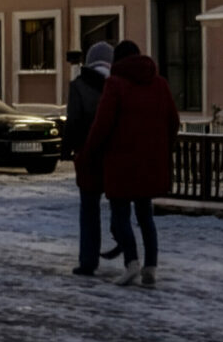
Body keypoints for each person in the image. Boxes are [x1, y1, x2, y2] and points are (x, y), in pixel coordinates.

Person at [88, 38, 177, 287]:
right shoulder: (160, 84)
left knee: (120, 215)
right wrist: (162, 148)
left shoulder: (115, 84)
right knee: (146, 216)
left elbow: (102, 124)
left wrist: (91, 150)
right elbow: (173, 121)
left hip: (121, 162)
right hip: (150, 162)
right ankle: (151, 267)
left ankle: (131, 263)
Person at [63, 41, 115, 277]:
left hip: (87, 154)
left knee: (89, 209)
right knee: (119, 207)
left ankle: (88, 260)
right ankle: (128, 250)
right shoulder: (117, 85)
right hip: (114, 153)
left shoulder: (79, 86)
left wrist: (68, 149)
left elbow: (73, 120)